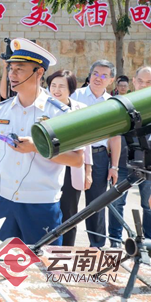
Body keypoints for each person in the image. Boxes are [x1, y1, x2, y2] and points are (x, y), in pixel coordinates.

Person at [0, 39, 84, 245]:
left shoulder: (59, 114)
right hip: (4, 201)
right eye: (11, 69)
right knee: (3, 260)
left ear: (39, 72)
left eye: (20, 69)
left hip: (41, 204)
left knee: (41, 262)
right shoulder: (1, 111)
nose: (12, 74)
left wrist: (37, 147)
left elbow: (76, 160)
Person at [72, 60, 121, 248]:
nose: (98, 78)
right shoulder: (75, 96)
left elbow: (115, 137)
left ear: (111, 80)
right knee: (69, 203)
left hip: (99, 156)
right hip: (75, 155)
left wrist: (114, 166)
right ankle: (64, 244)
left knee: (97, 204)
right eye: (95, 74)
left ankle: (97, 246)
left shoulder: (112, 103)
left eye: (104, 75)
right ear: (90, 75)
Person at [46, 69, 93, 246]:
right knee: (49, 211)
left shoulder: (80, 109)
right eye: (53, 86)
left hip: (72, 167)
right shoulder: (42, 107)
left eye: (61, 86)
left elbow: (87, 143)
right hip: (49, 167)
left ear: (71, 89)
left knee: (70, 213)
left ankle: (65, 252)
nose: (56, 90)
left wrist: (88, 170)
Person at [108, 66, 151, 246]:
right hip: (124, 162)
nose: (143, 85)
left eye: (148, 82)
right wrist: (114, 166)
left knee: (148, 205)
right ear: (134, 81)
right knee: (116, 203)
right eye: (140, 81)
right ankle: (115, 241)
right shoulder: (123, 104)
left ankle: (148, 242)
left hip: (148, 164)